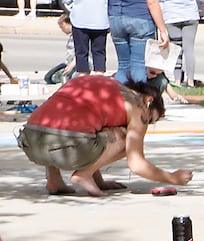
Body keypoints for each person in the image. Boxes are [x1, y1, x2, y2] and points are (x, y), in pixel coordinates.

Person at [18, 75, 192, 196]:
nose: (147, 124)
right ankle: (84, 174)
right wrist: (173, 177)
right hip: (67, 144)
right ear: (149, 101)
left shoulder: (103, 85)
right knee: (125, 137)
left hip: (31, 140)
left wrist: (100, 181)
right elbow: (136, 164)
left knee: (79, 123)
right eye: (151, 119)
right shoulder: (138, 105)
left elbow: (92, 129)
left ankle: (54, 180)